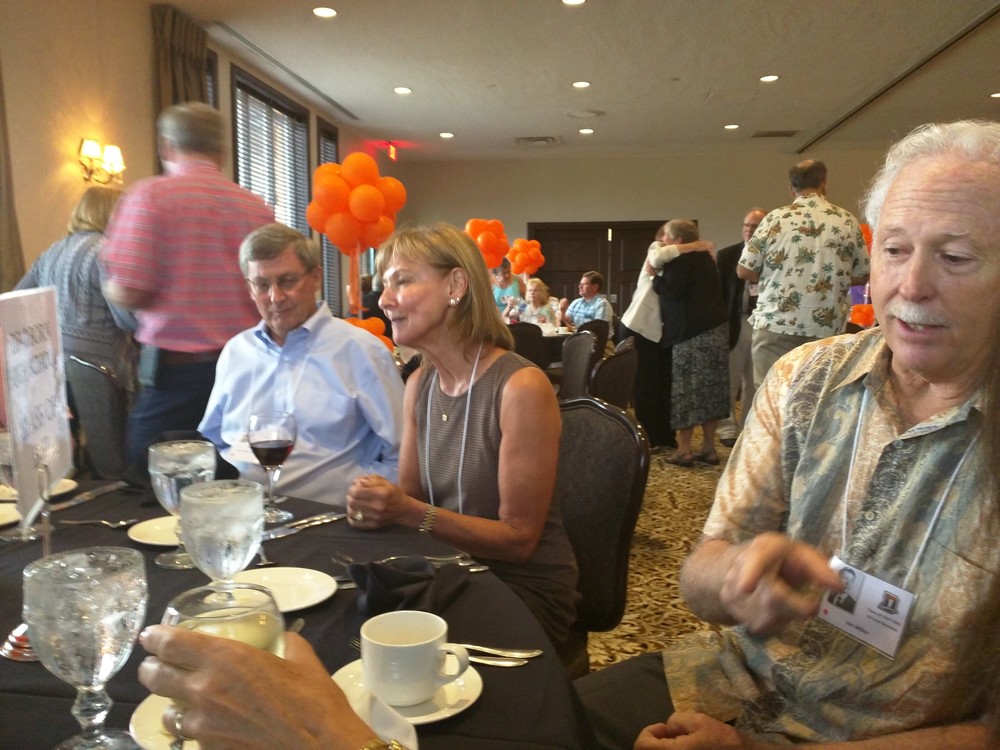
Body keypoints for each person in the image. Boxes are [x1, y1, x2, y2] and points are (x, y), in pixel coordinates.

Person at [576, 119, 1000, 749]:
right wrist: (737, 576)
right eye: (893, 250)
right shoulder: (806, 378)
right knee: (533, 723)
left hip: (884, 734)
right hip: (733, 679)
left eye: (955, 257)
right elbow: (701, 575)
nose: (910, 286)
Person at [345, 223, 578, 654]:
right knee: (351, 630)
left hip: (520, 589)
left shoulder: (520, 387)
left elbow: (520, 540)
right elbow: (411, 498)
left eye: (402, 281)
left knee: (396, 655)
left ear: (455, 285)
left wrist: (408, 511)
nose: (385, 299)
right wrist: (379, 504)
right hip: (445, 570)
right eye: (385, 285)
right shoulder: (420, 384)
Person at [101, 101, 274, 465]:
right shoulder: (256, 207)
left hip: (175, 374)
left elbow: (130, 288)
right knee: (237, 472)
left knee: (152, 474)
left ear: (166, 146)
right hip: (247, 368)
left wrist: (109, 283)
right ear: (222, 152)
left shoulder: (149, 196)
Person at [198, 223, 403, 505]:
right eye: (262, 284)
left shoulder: (361, 351)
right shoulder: (236, 352)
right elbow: (216, 440)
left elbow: (401, 453)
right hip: (239, 510)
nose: (276, 297)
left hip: (328, 517)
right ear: (249, 289)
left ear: (316, 278)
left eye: (287, 281)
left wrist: (369, 500)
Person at [738, 160, 869, 386]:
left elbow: (744, 270)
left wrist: (780, 275)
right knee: (817, 396)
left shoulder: (775, 219)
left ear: (791, 188)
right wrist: (829, 278)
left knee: (771, 395)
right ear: (824, 184)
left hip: (775, 323)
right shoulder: (846, 221)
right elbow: (863, 274)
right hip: (825, 326)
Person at [16, 186, 137, 395]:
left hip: (54, 363)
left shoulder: (52, 251)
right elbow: (125, 319)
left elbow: (17, 298)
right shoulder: (108, 252)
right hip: (101, 367)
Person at [619, 222, 714, 453]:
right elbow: (656, 258)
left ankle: (666, 436)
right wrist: (694, 245)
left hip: (666, 332)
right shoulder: (658, 248)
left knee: (665, 385)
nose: (664, 240)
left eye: (668, 237)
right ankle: (648, 438)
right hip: (641, 327)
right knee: (647, 386)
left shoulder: (686, 261)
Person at [651, 220, 729, 467]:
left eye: (666, 236)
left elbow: (674, 289)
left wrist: (655, 280)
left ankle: (684, 450)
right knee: (712, 391)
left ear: (677, 240)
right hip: (716, 331)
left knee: (686, 392)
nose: (662, 240)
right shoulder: (707, 259)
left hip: (690, 335)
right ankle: (709, 448)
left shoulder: (679, 260)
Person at [715, 208, 767, 447]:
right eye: (746, 225)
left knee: (755, 379)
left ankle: (748, 426)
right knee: (730, 377)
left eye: (754, 226)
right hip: (736, 321)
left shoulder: (775, 253)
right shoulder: (727, 255)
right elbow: (718, 294)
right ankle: (726, 428)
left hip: (763, 322)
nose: (749, 230)